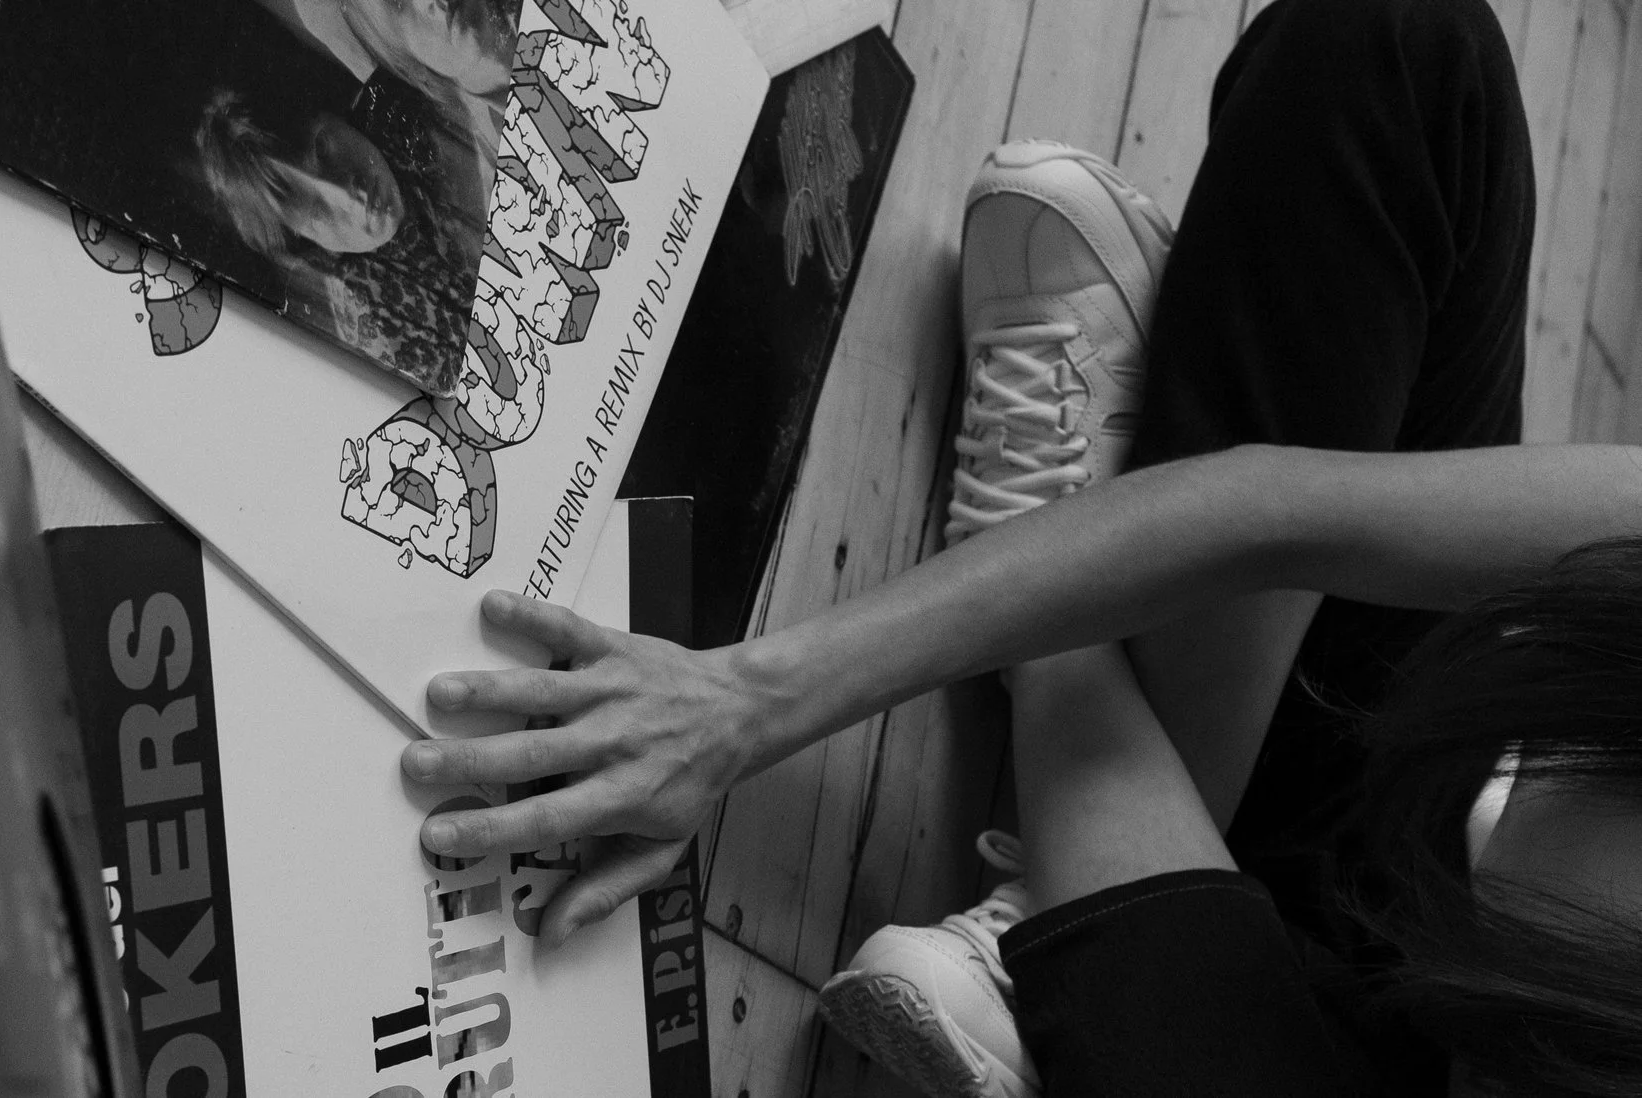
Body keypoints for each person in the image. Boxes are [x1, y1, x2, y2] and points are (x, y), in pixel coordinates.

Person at [405, 0, 1642, 1094]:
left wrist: (1059, 620)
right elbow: (1278, 510)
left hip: (1342, 1049)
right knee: (1396, 45)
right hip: (1423, 779)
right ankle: (1067, 847)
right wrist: (746, 701)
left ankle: (1067, 830)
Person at [194, 87, 478, 392]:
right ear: (308, 245)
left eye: (323, 148)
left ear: (333, 115)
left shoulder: (413, 113)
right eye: (317, 210)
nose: (350, 194)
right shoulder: (380, 333)